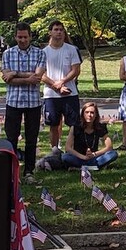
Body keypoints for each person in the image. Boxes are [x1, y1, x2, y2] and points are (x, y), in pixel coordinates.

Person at [1, 23, 47, 173]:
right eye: (19, 37)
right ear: (15, 37)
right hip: (13, 102)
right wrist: (27, 77)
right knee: (11, 139)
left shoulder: (40, 53)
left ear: (30, 37)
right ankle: (12, 172)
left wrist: (14, 73)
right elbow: (8, 79)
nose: (22, 40)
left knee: (31, 139)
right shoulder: (7, 54)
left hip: (33, 102)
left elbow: (38, 76)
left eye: (25, 37)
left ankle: (29, 171)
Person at [41, 20, 83, 153]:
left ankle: (73, 150)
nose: (59, 32)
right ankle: (55, 151)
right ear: (50, 32)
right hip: (51, 95)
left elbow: (75, 70)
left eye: (61, 30)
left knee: (73, 125)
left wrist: (63, 81)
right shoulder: (43, 52)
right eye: (56, 29)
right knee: (53, 124)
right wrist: (57, 86)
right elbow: (41, 74)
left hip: (70, 93)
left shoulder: (71, 49)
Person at [61, 101, 118, 169]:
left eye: (92, 112)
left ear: (96, 115)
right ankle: (94, 167)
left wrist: (94, 154)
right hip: (79, 157)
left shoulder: (100, 127)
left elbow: (109, 147)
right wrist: (83, 157)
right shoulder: (75, 127)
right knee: (65, 157)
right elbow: (68, 148)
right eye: (87, 112)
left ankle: (82, 168)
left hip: (94, 158)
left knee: (113, 154)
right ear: (83, 114)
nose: (89, 115)